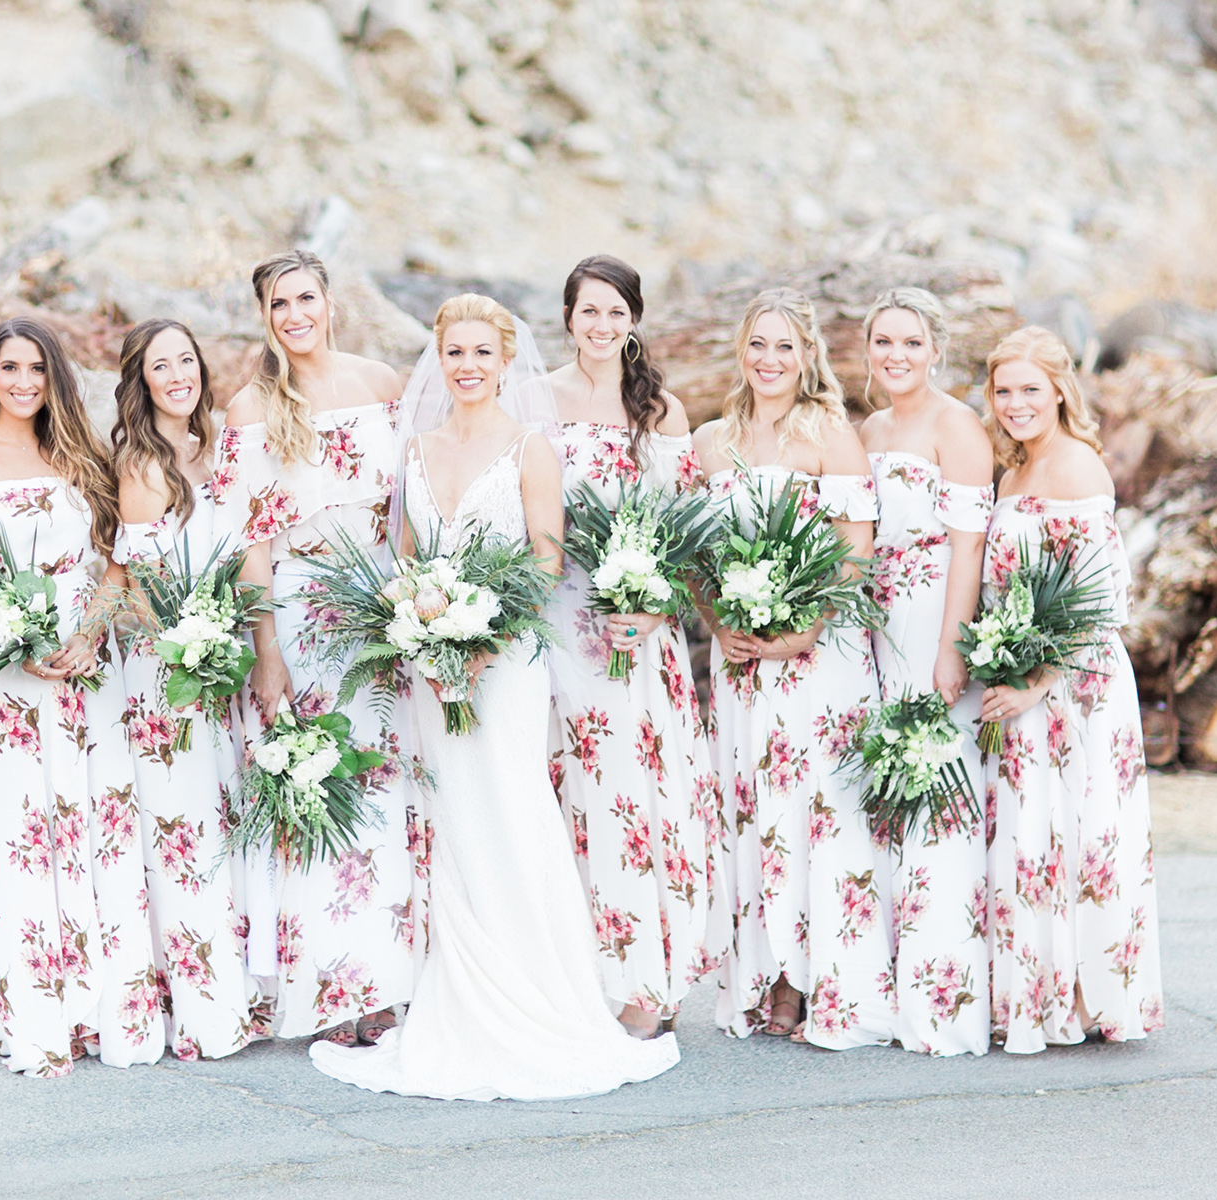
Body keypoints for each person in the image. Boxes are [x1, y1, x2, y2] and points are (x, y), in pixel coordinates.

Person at [310, 294, 681, 1101]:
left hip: (506, 664)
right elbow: (408, 558)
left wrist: (482, 640)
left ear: (507, 361)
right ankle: (464, 1000)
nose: (468, 366)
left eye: (483, 352)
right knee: (455, 819)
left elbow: (545, 563)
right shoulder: (416, 449)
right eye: (456, 353)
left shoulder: (529, 448)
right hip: (432, 666)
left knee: (513, 810)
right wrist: (422, 632)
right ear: (438, 361)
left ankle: (547, 998)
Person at [0, 317, 161, 1077]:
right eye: (9, 368)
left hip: (88, 667)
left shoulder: (79, 455)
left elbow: (118, 560)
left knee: (97, 828)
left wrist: (89, 633)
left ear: (55, 377)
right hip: (9, 677)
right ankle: (39, 1011)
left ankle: (105, 1013)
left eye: (36, 369)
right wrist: (7, 634)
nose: (23, 382)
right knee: (23, 834)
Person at [213, 251, 417, 1046]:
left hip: (381, 606)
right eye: (278, 304)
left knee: (384, 790)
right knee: (316, 790)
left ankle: (387, 982)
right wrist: (267, 651)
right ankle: (330, 989)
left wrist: (415, 604)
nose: (295, 315)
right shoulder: (251, 407)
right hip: (301, 609)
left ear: (330, 301)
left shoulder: (381, 383)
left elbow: (411, 508)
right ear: (263, 317)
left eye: (305, 298)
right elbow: (251, 545)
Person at [693, 288, 897, 1050]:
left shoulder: (830, 435)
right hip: (743, 659)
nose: (769, 359)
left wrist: (801, 632)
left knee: (817, 811)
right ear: (740, 352)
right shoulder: (712, 441)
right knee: (755, 811)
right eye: (758, 344)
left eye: (785, 346)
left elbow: (855, 552)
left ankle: (818, 980)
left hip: (819, 655)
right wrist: (721, 624)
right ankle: (767, 974)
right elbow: (694, 555)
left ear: (808, 354)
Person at [543, 255, 723, 1039]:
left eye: (616, 312)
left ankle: (649, 979)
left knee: (636, 797)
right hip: (559, 624)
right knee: (568, 797)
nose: (602, 325)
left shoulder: (660, 412)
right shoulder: (536, 401)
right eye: (589, 310)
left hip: (639, 632)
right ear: (568, 317)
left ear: (634, 321)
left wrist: (654, 608)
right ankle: (580, 977)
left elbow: (688, 533)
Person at [978, 325, 1165, 1052]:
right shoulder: (1014, 470)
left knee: (1086, 831)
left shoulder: (1080, 466)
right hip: (1025, 680)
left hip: (1077, 684)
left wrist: (1037, 685)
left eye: (1030, 388)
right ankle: (1041, 989)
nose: (1015, 403)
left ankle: (1090, 995)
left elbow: (1099, 600)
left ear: (1060, 391)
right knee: (1036, 831)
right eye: (1003, 390)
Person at [109, 318, 264, 1060]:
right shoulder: (141, 466)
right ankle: (201, 1005)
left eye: (185, 361)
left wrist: (230, 638)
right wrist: (193, 645)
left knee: (223, 819)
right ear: (141, 382)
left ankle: (241, 989)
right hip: (168, 670)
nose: (178, 376)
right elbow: (141, 589)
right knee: (182, 828)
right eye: (160, 366)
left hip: (221, 659)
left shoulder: (220, 449)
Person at [858, 287, 995, 1057]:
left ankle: (943, 1000)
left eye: (911, 342)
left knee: (938, 790)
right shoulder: (870, 428)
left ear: (936, 350)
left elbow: (969, 547)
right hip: (877, 625)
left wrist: (952, 646)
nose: (897, 355)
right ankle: (889, 982)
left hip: (932, 613)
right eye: (884, 341)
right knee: (890, 793)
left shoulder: (957, 426)